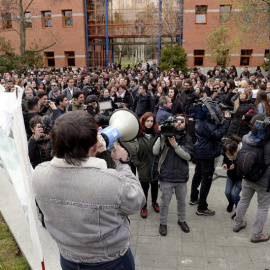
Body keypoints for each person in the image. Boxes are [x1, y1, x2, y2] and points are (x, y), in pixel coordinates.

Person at [32, 111, 146, 270]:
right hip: (111, 261)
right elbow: (137, 200)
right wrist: (122, 163)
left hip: (68, 257)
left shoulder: (38, 174)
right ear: (93, 146)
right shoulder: (111, 181)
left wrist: (88, 151)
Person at [153, 114, 194, 236]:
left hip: (181, 177)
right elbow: (155, 151)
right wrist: (160, 136)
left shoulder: (188, 138)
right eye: (177, 121)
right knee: (164, 202)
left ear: (185, 123)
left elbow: (188, 156)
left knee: (182, 201)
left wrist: (175, 145)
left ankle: (182, 220)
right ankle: (163, 223)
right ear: (173, 122)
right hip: (166, 176)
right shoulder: (165, 135)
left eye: (182, 121)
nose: (179, 123)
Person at [233, 114, 270, 243]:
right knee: (263, 207)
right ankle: (256, 234)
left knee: (243, 200)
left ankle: (237, 224)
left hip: (247, 176)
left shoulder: (246, 137)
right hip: (264, 180)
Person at [190, 108, 230, 216]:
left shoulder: (199, 120)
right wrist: (226, 122)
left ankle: (193, 197)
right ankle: (202, 207)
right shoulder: (208, 124)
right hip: (208, 154)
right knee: (206, 181)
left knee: (197, 175)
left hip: (200, 151)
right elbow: (217, 134)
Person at [132, 112, 159, 219]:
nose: (149, 123)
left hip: (154, 165)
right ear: (143, 121)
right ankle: (144, 206)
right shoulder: (138, 135)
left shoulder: (156, 134)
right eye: (147, 121)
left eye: (152, 121)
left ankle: (154, 202)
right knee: (144, 186)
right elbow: (133, 152)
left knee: (155, 185)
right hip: (143, 165)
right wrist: (138, 163)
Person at [221, 135, 242, 219]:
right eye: (226, 153)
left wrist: (236, 166)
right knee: (227, 192)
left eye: (229, 154)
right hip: (231, 175)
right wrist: (225, 165)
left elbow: (246, 167)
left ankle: (239, 210)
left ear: (235, 150)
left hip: (241, 177)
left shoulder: (242, 152)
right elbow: (225, 160)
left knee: (234, 194)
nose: (227, 155)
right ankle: (231, 203)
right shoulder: (227, 150)